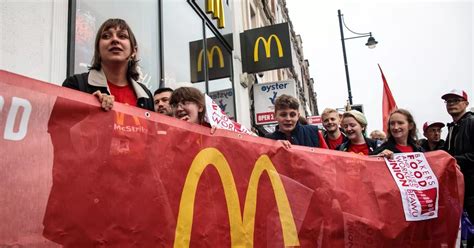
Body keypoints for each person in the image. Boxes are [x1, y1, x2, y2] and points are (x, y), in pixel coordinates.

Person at [62, 18, 154, 111]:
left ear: (134, 51)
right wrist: (91, 107)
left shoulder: (146, 96)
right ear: (98, 50)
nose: (114, 39)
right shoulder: (75, 85)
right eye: (106, 36)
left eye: (122, 36)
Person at [441, 89, 474, 246]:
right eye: (448, 101)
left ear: (466, 104)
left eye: (456, 100)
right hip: (460, 191)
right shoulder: (453, 127)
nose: (451, 104)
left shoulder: (472, 122)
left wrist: (450, 160)